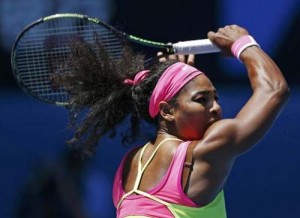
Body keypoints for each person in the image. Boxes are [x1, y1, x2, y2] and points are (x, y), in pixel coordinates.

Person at [53, 25, 290, 217]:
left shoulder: (129, 166)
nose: (216, 108)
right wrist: (244, 44)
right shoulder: (204, 153)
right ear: (166, 111)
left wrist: (181, 84)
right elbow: (274, 91)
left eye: (215, 98)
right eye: (202, 100)